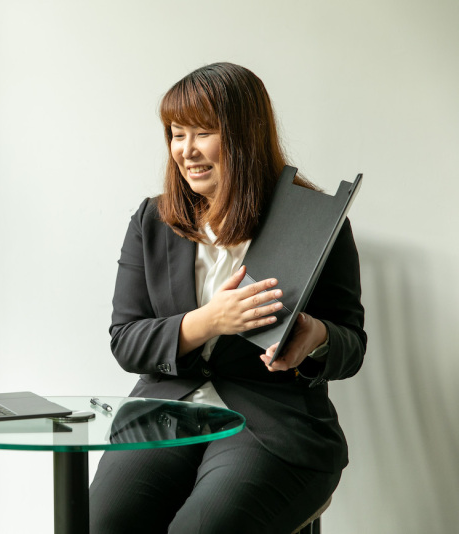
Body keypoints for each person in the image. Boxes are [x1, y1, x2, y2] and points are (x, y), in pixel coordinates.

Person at [89, 62, 367, 534]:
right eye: (176, 134)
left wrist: (315, 338)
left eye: (202, 132)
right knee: (101, 524)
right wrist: (210, 320)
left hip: (273, 423)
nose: (186, 150)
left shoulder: (314, 221)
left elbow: (351, 345)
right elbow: (126, 341)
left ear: (243, 136)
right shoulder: (152, 221)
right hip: (165, 412)